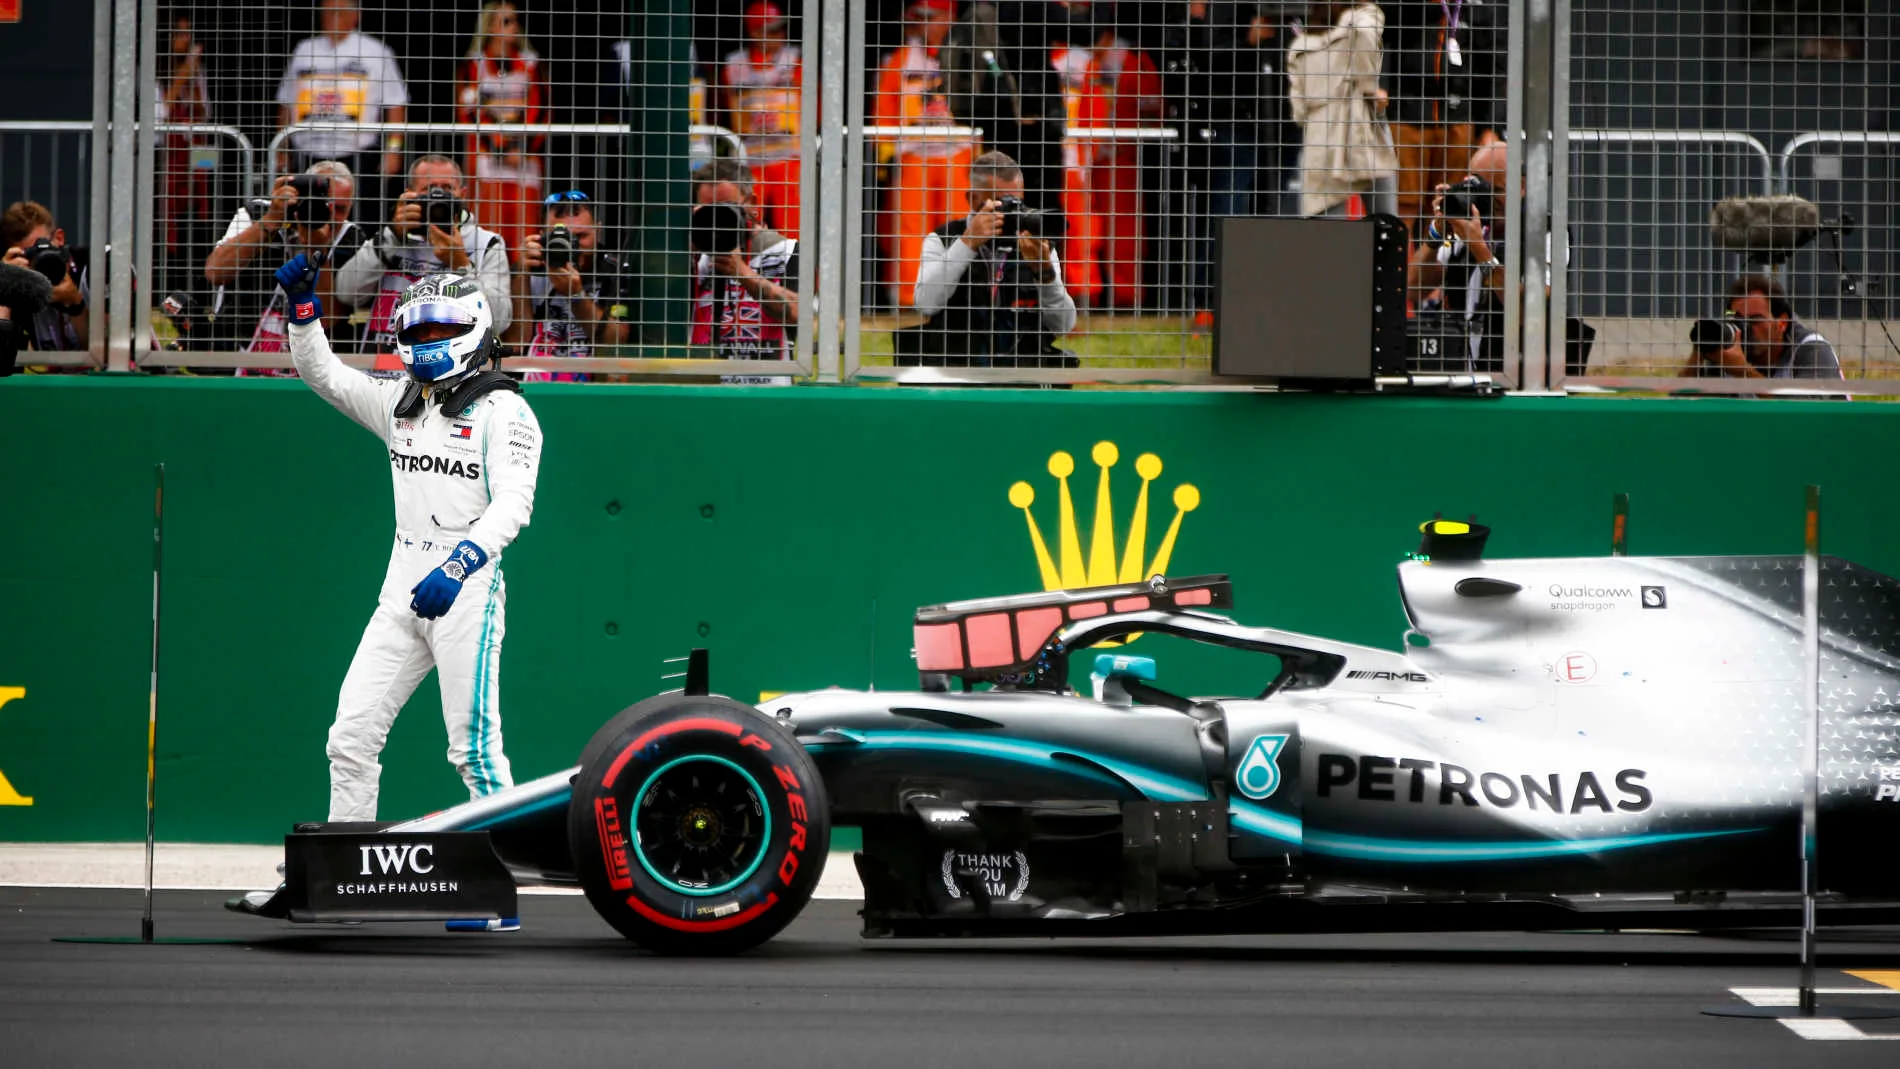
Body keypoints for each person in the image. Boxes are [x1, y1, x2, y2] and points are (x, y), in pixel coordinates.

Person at [274, 252, 542, 823]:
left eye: (443, 328)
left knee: (474, 750)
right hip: (401, 591)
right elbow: (324, 375)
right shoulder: (400, 403)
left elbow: (515, 505)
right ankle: (345, 866)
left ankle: (500, 877)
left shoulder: (507, 411)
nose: (429, 339)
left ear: (475, 329)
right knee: (350, 736)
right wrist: (303, 312)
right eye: (419, 329)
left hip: (465, 590)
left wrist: (460, 564)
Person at [903, 149, 1077, 366]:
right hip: (958, 370)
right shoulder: (943, 239)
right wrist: (967, 243)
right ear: (972, 198)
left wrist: (1044, 273)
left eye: (1017, 203)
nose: (1011, 212)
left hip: (1021, 372)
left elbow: (1063, 325)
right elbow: (925, 304)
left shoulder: (1035, 244)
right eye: (1001, 203)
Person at [337, 155, 513, 359]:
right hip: (383, 370)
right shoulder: (391, 237)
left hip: (450, 373)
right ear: (409, 194)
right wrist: (392, 236)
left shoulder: (486, 243)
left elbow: (499, 321)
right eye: (428, 189)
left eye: (447, 189)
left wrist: (462, 265)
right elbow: (346, 293)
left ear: (462, 194)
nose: (437, 197)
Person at [203, 161, 366, 362]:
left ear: (351, 206)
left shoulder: (350, 238)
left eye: (340, 209)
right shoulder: (257, 212)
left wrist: (316, 252)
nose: (329, 215)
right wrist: (272, 220)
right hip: (237, 349)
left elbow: (328, 320)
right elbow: (216, 272)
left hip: (310, 360)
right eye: (322, 204)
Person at [872, 0, 976, 310]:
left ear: (949, 18)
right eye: (920, 18)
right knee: (908, 229)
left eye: (931, 18)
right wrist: (887, 161)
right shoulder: (899, 60)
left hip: (958, 155)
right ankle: (906, 301)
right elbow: (883, 112)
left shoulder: (968, 54)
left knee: (959, 227)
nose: (923, 25)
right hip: (913, 155)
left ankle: (959, 300)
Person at [1381, 0, 1505, 237]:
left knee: (1449, 207)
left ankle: (1440, 271)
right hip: (1406, 118)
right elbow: (1381, 36)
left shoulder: (1477, 8)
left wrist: (1490, 125)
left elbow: (1493, 67)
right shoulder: (1402, 7)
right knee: (1402, 207)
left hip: (1459, 122)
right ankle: (1401, 272)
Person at [276, 0, 410, 214]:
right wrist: (282, 147)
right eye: (327, 11)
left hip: (357, 154)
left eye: (340, 11)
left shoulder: (376, 51)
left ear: (357, 14)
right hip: (307, 153)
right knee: (304, 215)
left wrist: (393, 150)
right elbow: (285, 102)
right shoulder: (304, 49)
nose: (333, 16)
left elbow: (395, 104)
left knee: (357, 216)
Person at [1079, 9, 1163, 309]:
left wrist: (1130, 134)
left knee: (1124, 234)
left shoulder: (1133, 60)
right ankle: (1089, 297)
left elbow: (1156, 106)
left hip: (1121, 161)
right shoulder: (1084, 60)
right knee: (1084, 230)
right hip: (1085, 160)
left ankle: (1127, 300)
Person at [1287, 1, 1400, 220]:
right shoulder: (1364, 18)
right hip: (1362, 126)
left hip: (1321, 139)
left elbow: (1298, 111)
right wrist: (1368, 88)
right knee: (1385, 223)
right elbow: (1367, 34)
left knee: (1327, 231)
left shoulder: (1300, 46)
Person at [456, 0, 550, 257]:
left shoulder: (532, 64)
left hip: (524, 160)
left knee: (524, 236)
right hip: (487, 162)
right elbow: (468, 110)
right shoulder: (473, 64)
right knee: (487, 235)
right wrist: (499, 149)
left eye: (516, 20)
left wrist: (520, 149)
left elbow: (541, 110)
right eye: (506, 21)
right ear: (489, 26)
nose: (514, 26)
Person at [507, 190, 629, 379]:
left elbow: (614, 341)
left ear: (598, 230)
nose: (572, 246)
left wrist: (576, 294)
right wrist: (521, 275)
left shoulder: (615, 270)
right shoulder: (529, 268)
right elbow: (515, 343)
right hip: (532, 387)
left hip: (592, 389)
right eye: (561, 238)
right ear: (541, 235)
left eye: (580, 237)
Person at [1405, 140, 1504, 371]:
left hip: (1508, 369)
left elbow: (1523, 307)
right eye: (1474, 185)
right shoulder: (1463, 226)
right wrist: (1437, 232)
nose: (1480, 197)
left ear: (1520, 187)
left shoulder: (1542, 231)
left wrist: (1479, 248)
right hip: (1455, 365)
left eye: (1491, 189)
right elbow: (1413, 288)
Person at [688, 159, 800, 361]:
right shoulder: (691, 254)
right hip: (703, 381)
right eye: (707, 210)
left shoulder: (784, 249)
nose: (716, 220)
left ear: (752, 203)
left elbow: (798, 313)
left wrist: (743, 273)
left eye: (725, 209)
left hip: (766, 383)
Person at [721, 1, 804, 238]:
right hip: (750, 161)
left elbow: (815, 108)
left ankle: (799, 275)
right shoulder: (733, 66)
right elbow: (722, 110)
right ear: (754, 31)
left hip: (789, 159)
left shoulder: (796, 61)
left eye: (781, 29)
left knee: (794, 231)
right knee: (747, 227)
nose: (781, 35)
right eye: (773, 30)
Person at [1682, 274, 1844, 380]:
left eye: (1755, 320)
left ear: (1782, 323)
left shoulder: (1811, 349)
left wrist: (1744, 372)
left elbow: (1803, 418)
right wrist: (1701, 349)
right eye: (1738, 320)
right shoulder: (1730, 353)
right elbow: (1682, 405)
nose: (1745, 328)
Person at [0, 200, 90, 357]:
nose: (38, 261)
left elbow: (106, 355)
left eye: (42, 249)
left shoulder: (90, 269)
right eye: (29, 254)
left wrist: (75, 304)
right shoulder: (16, 284)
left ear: (59, 239)